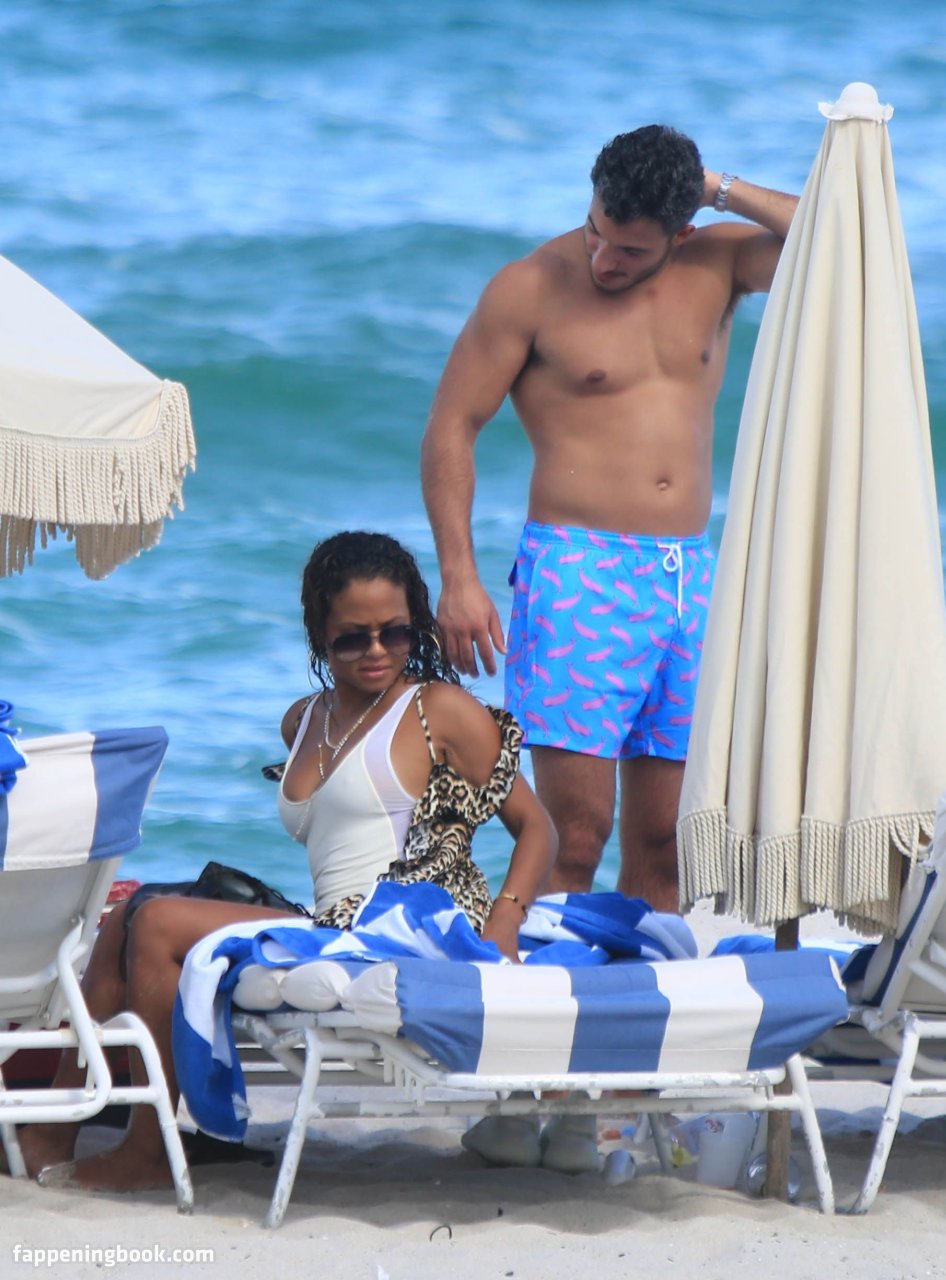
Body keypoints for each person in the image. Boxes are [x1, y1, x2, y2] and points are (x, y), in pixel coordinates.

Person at [10, 531, 555, 1192]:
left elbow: (537, 828)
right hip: (334, 924)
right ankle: (53, 1129)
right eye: (352, 638)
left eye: (395, 633)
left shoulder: (436, 710)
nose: (377, 651)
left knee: (156, 923)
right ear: (320, 635)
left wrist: (505, 923)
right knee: (128, 915)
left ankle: (148, 1150)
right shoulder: (306, 720)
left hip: (398, 924)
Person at [421, 125, 798, 911]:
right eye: (596, 231)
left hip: (689, 578)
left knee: (667, 843)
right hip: (579, 572)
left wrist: (716, 187)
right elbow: (451, 426)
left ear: (681, 231)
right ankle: (532, 978)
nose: (604, 260)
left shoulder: (717, 264)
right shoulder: (530, 287)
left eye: (630, 250)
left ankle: (636, 988)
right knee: (575, 835)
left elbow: (837, 240)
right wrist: (459, 575)